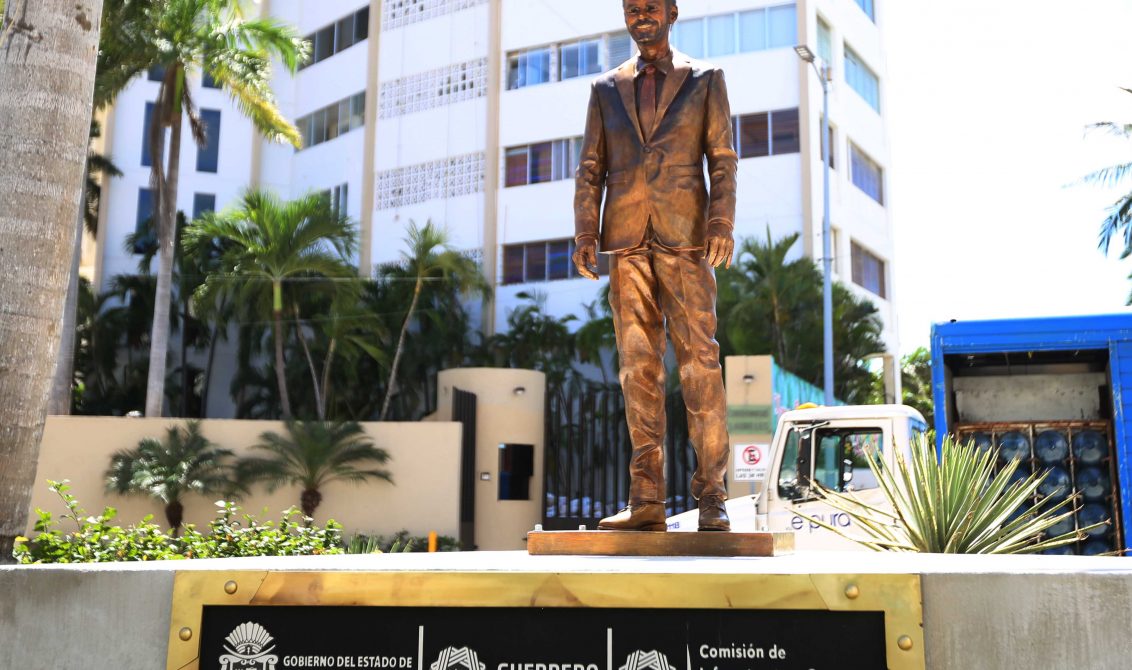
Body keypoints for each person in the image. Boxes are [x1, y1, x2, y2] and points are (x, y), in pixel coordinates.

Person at [572, 0, 737, 531]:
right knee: (637, 369)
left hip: (687, 238)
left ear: (672, 12)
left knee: (699, 366)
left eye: (650, 7)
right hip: (625, 242)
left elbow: (723, 160)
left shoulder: (706, 78)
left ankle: (712, 496)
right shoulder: (604, 89)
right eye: (632, 8)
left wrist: (721, 224)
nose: (641, 16)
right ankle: (646, 501)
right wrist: (585, 232)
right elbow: (591, 167)